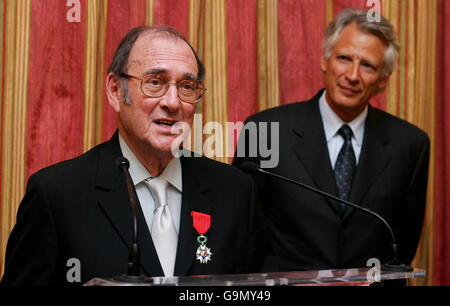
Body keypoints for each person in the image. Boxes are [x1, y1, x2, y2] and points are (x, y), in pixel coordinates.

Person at [1, 25, 267, 286]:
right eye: (155, 82)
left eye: (187, 86)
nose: (173, 102)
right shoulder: (57, 195)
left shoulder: (235, 191)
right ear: (116, 91)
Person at [233, 8, 430, 271]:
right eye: (344, 58)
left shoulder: (411, 145)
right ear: (325, 60)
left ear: (384, 79)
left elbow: (403, 245)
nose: (352, 75)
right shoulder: (264, 129)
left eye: (368, 65)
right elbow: (241, 231)